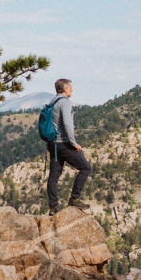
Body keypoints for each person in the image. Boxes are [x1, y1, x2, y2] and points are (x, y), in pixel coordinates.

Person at [46, 78, 91, 214]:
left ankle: (53, 206)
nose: (72, 89)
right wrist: (73, 143)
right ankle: (74, 198)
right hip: (64, 144)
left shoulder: (52, 102)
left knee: (54, 176)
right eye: (70, 87)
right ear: (65, 89)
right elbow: (67, 124)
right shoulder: (65, 102)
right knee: (85, 167)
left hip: (52, 144)